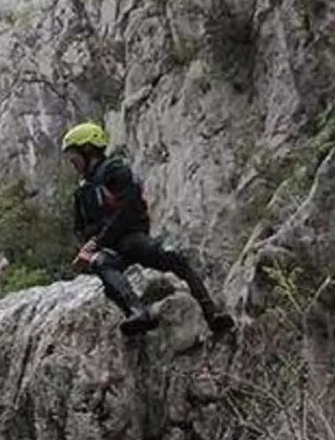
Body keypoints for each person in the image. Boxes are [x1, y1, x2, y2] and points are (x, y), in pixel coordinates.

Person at [61, 122, 235, 337]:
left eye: (73, 155)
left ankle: (212, 313)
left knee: (174, 256)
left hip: (132, 238)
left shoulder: (115, 170)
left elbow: (129, 208)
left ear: (88, 150)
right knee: (101, 263)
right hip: (111, 249)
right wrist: (89, 246)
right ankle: (137, 312)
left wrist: (99, 240)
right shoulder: (82, 192)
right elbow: (81, 229)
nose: (71, 162)